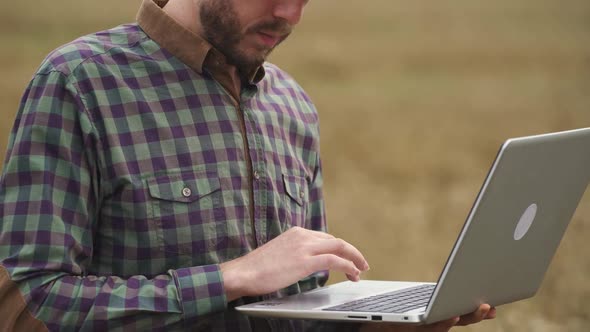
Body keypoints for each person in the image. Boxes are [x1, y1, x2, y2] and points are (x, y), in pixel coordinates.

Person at [0, 0, 496, 331]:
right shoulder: (79, 82)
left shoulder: (291, 103)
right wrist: (228, 278)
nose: (289, 14)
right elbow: (37, 296)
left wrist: (398, 322)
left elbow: (292, 309)